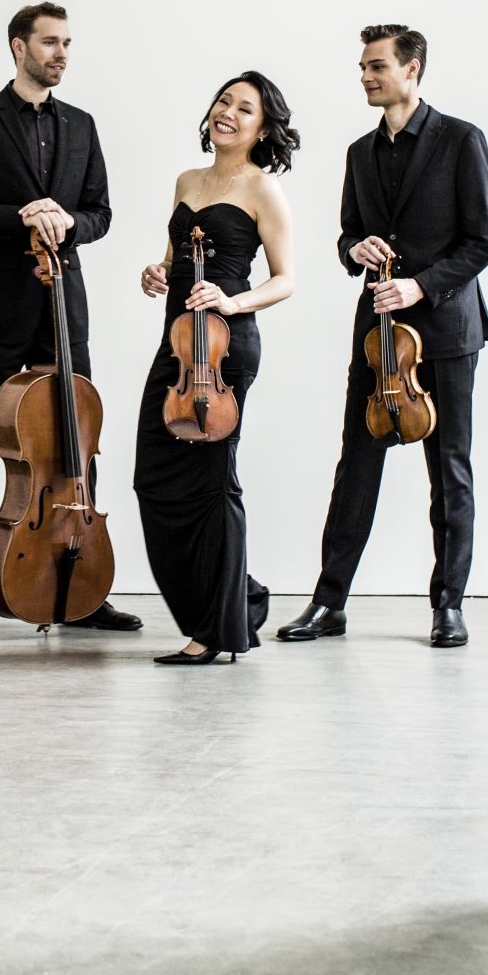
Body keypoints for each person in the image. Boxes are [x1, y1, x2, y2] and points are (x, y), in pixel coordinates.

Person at [277, 24, 488, 650]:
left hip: (447, 331)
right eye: (363, 67)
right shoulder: (359, 152)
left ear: (412, 68)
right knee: (357, 465)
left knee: (449, 470)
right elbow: (348, 233)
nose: (366, 76)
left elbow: (486, 240)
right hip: (378, 336)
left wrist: (420, 287)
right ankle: (329, 602)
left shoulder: (461, 139)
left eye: (376, 65)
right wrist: (355, 248)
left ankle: (448, 605)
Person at [0, 2, 142, 638]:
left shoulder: (82, 124)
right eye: (50, 42)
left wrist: (69, 221)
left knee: (75, 445)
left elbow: (101, 213)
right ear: (18, 47)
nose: (61, 54)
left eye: (67, 43)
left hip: (63, 303)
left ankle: (82, 590)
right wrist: (23, 213)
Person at [134, 74, 298, 665]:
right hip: (179, 346)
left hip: (225, 349)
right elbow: (175, 257)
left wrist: (232, 301)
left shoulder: (262, 188)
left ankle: (216, 630)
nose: (228, 112)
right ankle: (239, 597)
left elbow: (286, 279)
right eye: (224, 101)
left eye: (245, 108)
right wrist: (157, 271)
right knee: (153, 477)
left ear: (263, 127)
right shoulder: (188, 180)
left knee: (211, 481)